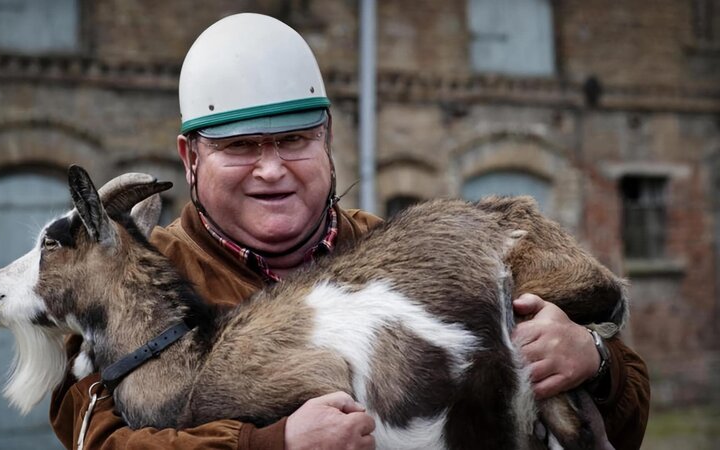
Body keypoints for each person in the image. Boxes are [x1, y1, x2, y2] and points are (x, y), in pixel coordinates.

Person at [50, 13, 649, 450]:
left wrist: (593, 360)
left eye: (294, 140)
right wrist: (273, 444)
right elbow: (97, 442)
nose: (272, 168)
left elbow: (629, 416)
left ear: (327, 138)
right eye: (239, 147)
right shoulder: (127, 290)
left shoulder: (400, 255)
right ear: (190, 158)